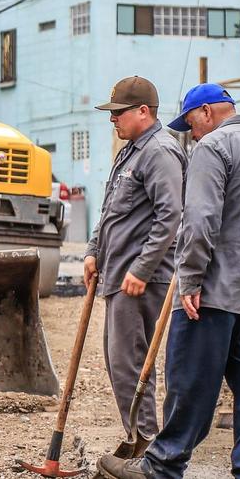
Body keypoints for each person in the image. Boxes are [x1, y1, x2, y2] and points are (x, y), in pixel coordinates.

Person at [99, 84, 240, 479]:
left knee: (189, 381)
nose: (192, 134)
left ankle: (163, 464)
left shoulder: (213, 147)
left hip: (216, 292)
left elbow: (200, 222)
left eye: (190, 124)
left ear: (205, 112)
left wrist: (189, 281)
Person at [84, 76, 184, 444]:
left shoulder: (160, 151)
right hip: (118, 272)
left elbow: (170, 216)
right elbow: (111, 208)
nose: (113, 120)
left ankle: (147, 444)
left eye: (119, 113)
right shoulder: (130, 151)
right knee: (118, 363)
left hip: (141, 277)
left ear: (143, 111)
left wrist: (142, 269)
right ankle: (138, 439)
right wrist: (94, 251)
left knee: (131, 365)